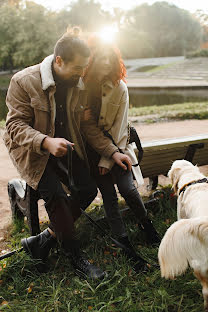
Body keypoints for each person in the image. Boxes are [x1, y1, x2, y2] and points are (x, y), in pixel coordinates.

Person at [3, 28, 132, 279]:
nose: (83, 73)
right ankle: (76, 257)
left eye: (85, 67)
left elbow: (86, 126)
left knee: (87, 189)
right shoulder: (23, 80)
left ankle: (43, 241)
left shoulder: (77, 83)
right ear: (59, 61)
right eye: (78, 68)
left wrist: (112, 151)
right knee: (57, 197)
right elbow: (14, 127)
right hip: (31, 150)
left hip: (65, 146)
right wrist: (45, 142)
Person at [81, 36, 160, 262]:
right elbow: (85, 127)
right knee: (108, 196)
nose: (106, 63)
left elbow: (120, 128)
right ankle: (123, 241)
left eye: (110, 59)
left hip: (119, 147)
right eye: (101, 59)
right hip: (92, 151)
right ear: (93, 60)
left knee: (128, 189)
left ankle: (147, 226)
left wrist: (109, 159)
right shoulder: (84, 87)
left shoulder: (120, 88)